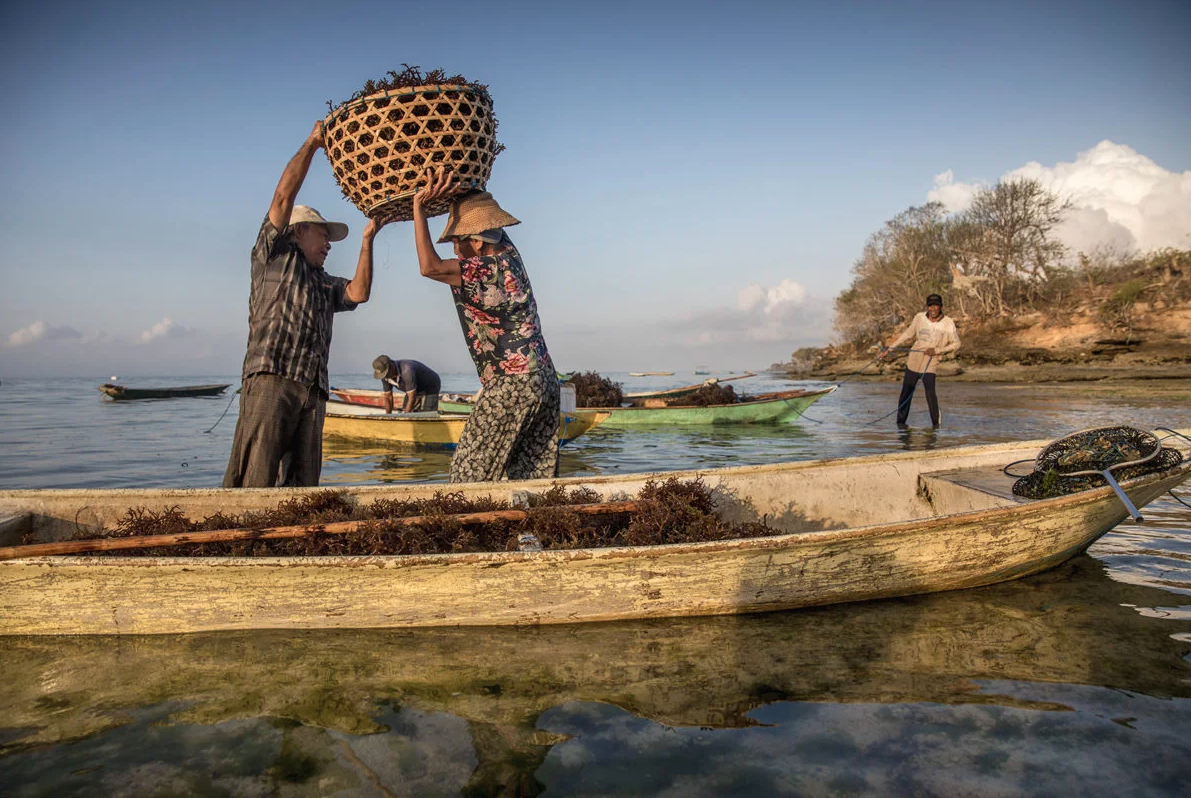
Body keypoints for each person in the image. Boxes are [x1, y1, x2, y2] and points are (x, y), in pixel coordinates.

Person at [223, 121, 387, 488]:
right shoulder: (274, 255)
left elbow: (359, 292)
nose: (328, 244)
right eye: (323, 235)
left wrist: (367, 240)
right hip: (272, 379)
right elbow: (283, 198)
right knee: (255, 480)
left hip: (313, 390)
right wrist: (313, 143)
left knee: (303, 485)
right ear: (298, 232)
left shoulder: (324, 282)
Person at [411, 167, 559, 483]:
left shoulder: (486, 269)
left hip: (512, 384)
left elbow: (429, 267)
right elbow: (493, 230)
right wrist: (462, 192)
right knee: (528, 478)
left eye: (456, 242)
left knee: (468, 475)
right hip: (545, 381)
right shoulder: (511, 256)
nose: (454, 251)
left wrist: (419, 209)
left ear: (477, 244)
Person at [879, 293, 961, 428]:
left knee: (930, 392)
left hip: (931, 359)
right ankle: (900, 424)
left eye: (936, 306)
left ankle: (936, 425)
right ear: (927, 307)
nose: (933, 309)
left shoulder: (948, 323)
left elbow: (956, 344)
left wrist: (937, 351)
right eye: (930, 306)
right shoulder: (919, 318)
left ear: (941, 307)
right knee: (906, 391)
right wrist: (890, 348)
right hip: (914, 358)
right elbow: (907, 334)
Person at [372, 355, 442, 413]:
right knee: (405, 409)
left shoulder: (406, 370)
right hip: (414, 388)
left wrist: (406, 416)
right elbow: (388, 397)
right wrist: (388, 416)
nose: (385, 376)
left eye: (386, 373)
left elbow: (412, 397)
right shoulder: (384, 376)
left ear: (391, 365)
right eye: (383, 375)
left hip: (430, 385)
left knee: (427, 413)